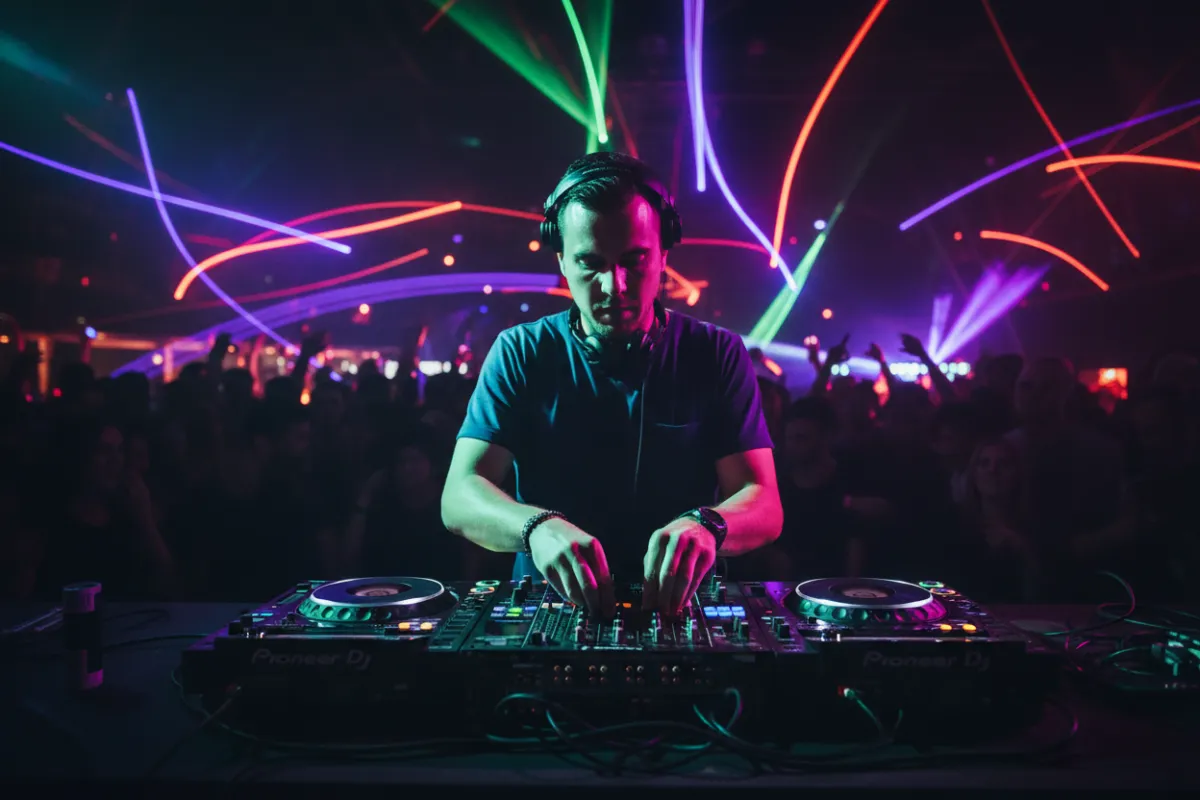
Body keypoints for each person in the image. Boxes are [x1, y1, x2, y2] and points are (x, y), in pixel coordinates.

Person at [442, 152, 782, 618]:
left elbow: (764, 502)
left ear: (664, 254)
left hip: (678, 610)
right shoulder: (520, 352)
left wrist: (708, 524)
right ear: (562, 261)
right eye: (590, 263)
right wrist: (536, 527)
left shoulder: (716, 352)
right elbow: (460, 495)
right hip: (553, 608)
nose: (613, 286)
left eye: (633, 261)